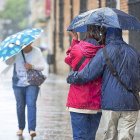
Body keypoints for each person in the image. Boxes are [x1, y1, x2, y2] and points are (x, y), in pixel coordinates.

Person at [67, 28, 140, 140]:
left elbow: (87, 74)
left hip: (110, 103)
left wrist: (72, 77)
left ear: (106, 35)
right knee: (126, 137)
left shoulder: (105, 52)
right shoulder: (134, 52)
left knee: (109, 137)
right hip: (132, 103)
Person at [65, 25, 106, 140]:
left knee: (79, 136)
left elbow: (69, 60)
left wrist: (75, 40)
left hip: (77, 100)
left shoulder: (77, 48)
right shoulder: (104, 51)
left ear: (87, 32)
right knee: (90, 137)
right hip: (96, 101)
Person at [6, 43, 47, 137]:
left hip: (32, 83)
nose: (25, 46)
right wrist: (10, 55)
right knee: (20, 106)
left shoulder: (37, 51)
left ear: (31, 43)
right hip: (17, 84)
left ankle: (32, 129)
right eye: (24, 44)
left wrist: (31, 66)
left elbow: (42, 66)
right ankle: (20, 127)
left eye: (28, 44)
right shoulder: (16, 52)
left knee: (31, 104)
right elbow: (8, 62)